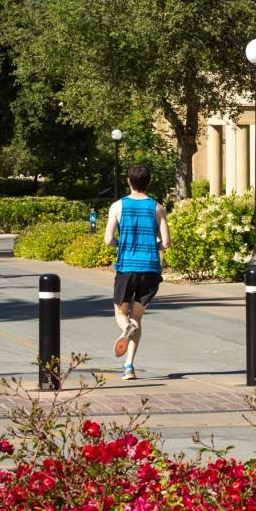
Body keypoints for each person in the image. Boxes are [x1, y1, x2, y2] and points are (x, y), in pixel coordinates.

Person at [104, 163, 169, 381]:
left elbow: (108, 240)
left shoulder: (117, 206)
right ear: (148, 182)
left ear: (128, 181)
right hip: (150, 269)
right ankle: (129, 366)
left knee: (121, 315)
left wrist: (119, 244)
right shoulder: (157, 207)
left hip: (127, 268)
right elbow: (166, 242)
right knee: (137, 317)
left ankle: (126, 329)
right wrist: (153, 246)